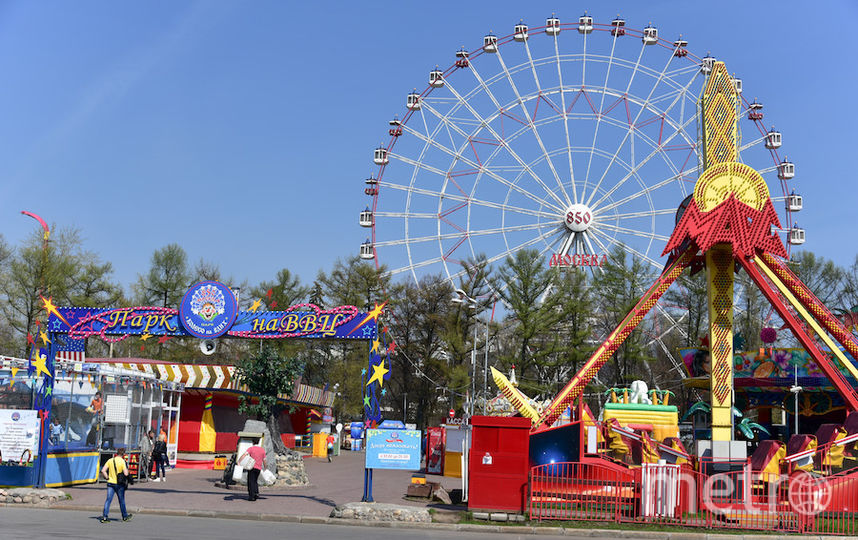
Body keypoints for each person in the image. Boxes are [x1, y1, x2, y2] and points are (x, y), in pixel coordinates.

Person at [100, 447, 132, 523]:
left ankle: (105, 516)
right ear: (123, 454)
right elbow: (126, 473)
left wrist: (107, 477)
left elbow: (103, 470)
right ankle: (125, 516)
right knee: (121, 501)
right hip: (119, 484)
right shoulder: (122, 461)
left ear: (116, 453)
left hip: (110, 483)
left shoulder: (110, 460)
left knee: (108, 500)